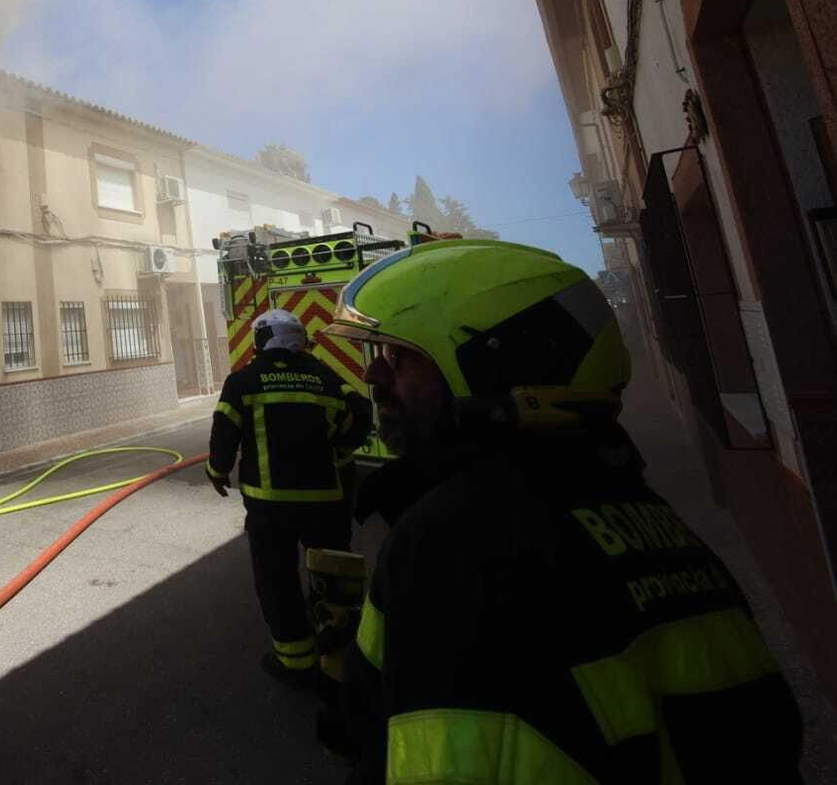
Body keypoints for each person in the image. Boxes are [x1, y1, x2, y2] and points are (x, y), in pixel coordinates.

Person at [320, 239, 803, 782]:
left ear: (489, 365)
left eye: (398, 356)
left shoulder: (456, 544)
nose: (373, 378)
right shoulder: (650, 517)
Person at [206, 308, 370, 691]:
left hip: (270, 506)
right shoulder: (324, 376)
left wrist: (217, 472)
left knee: (276, 579)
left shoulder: (244, 380)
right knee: (332, 578)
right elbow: (361, 412)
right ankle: (339, 656)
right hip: (327, 502)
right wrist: (341, 450)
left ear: (263, 339)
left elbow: (224, 430)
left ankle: (295, 660)